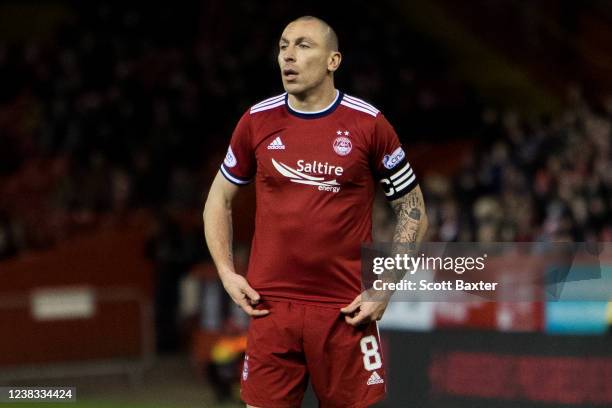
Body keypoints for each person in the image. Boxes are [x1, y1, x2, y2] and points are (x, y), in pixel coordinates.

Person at [204, 15, 428, 408]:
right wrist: (226, 271)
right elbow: (218, 199)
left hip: (344, 312)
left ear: (333, 61)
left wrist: (385, 286)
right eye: (283, 46)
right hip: (268, 309)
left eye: (303, 46)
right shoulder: (256, 122)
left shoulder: (369, 125)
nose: (288, 56)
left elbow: (413, 209)